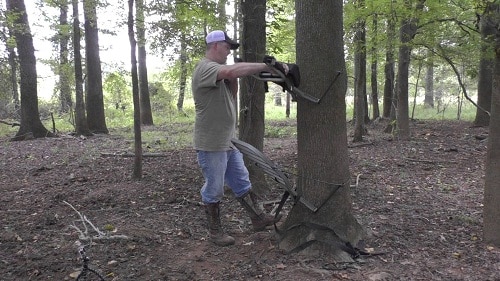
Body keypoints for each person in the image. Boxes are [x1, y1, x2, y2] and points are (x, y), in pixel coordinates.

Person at [192, 30, 285, 246]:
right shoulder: (205, 68)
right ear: (215, 45)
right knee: (214, 187)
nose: (228, 51)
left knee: (241, 180)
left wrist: (234, 77)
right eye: (227, 47)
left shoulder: (220, 74)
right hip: (211, 143)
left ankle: (258, 218)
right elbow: (229, 71)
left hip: (226, 141)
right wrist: (266, 66)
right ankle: (215, 233)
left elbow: (231, 93)